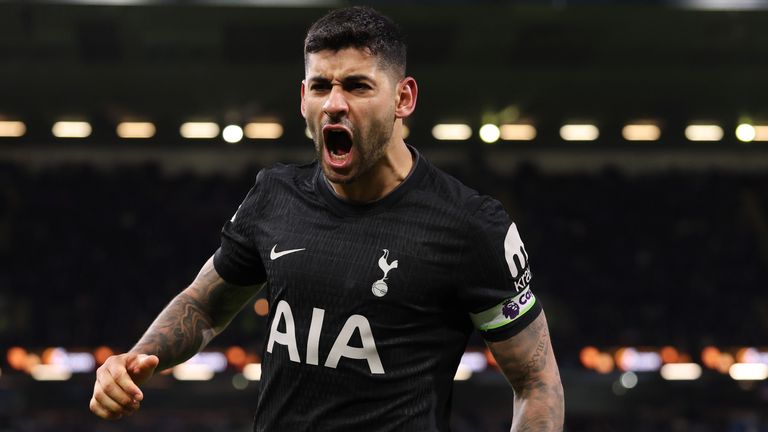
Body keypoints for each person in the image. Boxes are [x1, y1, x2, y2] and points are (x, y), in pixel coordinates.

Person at [89, 6, 564, 431]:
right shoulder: (273, 196)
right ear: (304, 99)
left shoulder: (469, 224)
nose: (335, 103)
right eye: (321, 86)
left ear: (403, 99)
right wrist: (134, 359)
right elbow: (204, 306)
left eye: (357, 86)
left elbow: (537, 383)